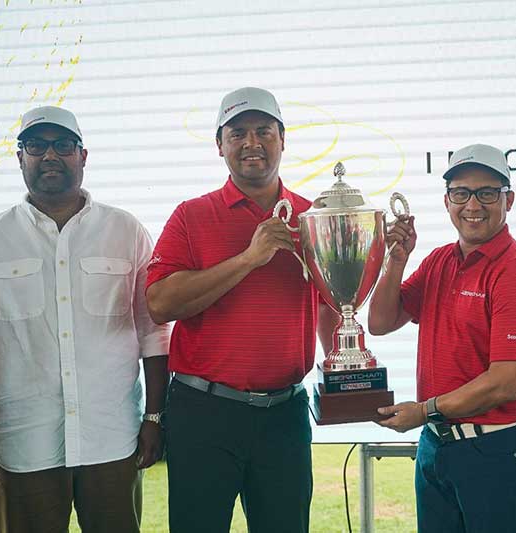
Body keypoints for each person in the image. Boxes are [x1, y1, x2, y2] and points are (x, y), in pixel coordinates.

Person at [0, 106, 170, 533]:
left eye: (63, 145)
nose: (50, 156)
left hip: (111, 441)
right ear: (19, 157)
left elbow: (153, 334)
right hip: (22, 447)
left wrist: (154, 418)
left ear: (83, 156)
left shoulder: (126, 231)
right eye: (36, 145)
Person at [145, 86, 336, 533]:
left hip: (285, 414)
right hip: (204, 412)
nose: (252, 143)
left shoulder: (313, 218)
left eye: (264, 131)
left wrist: (346, 373)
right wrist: (249, 259)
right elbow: (160, 303)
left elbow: (334, 305)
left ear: (282, 139)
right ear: (220, 145)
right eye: (238, 134)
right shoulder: (191, 216)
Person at [368, 144, 516, 533]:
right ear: (447, 201)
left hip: (495, 451)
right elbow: (380, 321)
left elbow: (506, 382)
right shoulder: (439, 261)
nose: (473, 204)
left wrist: (423, 410)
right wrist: (395, 260)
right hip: (436, 446)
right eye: (461, 193)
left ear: (509, 200)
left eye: (487, 193)